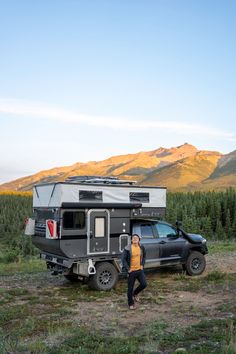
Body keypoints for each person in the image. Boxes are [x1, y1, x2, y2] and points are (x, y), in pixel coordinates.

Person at [122, 234, 147, 310]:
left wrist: (142, 264)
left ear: (139, 239)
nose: (135, 239)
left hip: (139, 270)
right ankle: (131, 303)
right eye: (133, 238)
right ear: (131, 240)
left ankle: (135, 294)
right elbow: (123, 259)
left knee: (144, 284)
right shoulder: (127, 248)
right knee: (130, 288)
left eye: (137, 238)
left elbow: (144, 256)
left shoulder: (141, 247)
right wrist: (128, 269)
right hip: (131, 271)